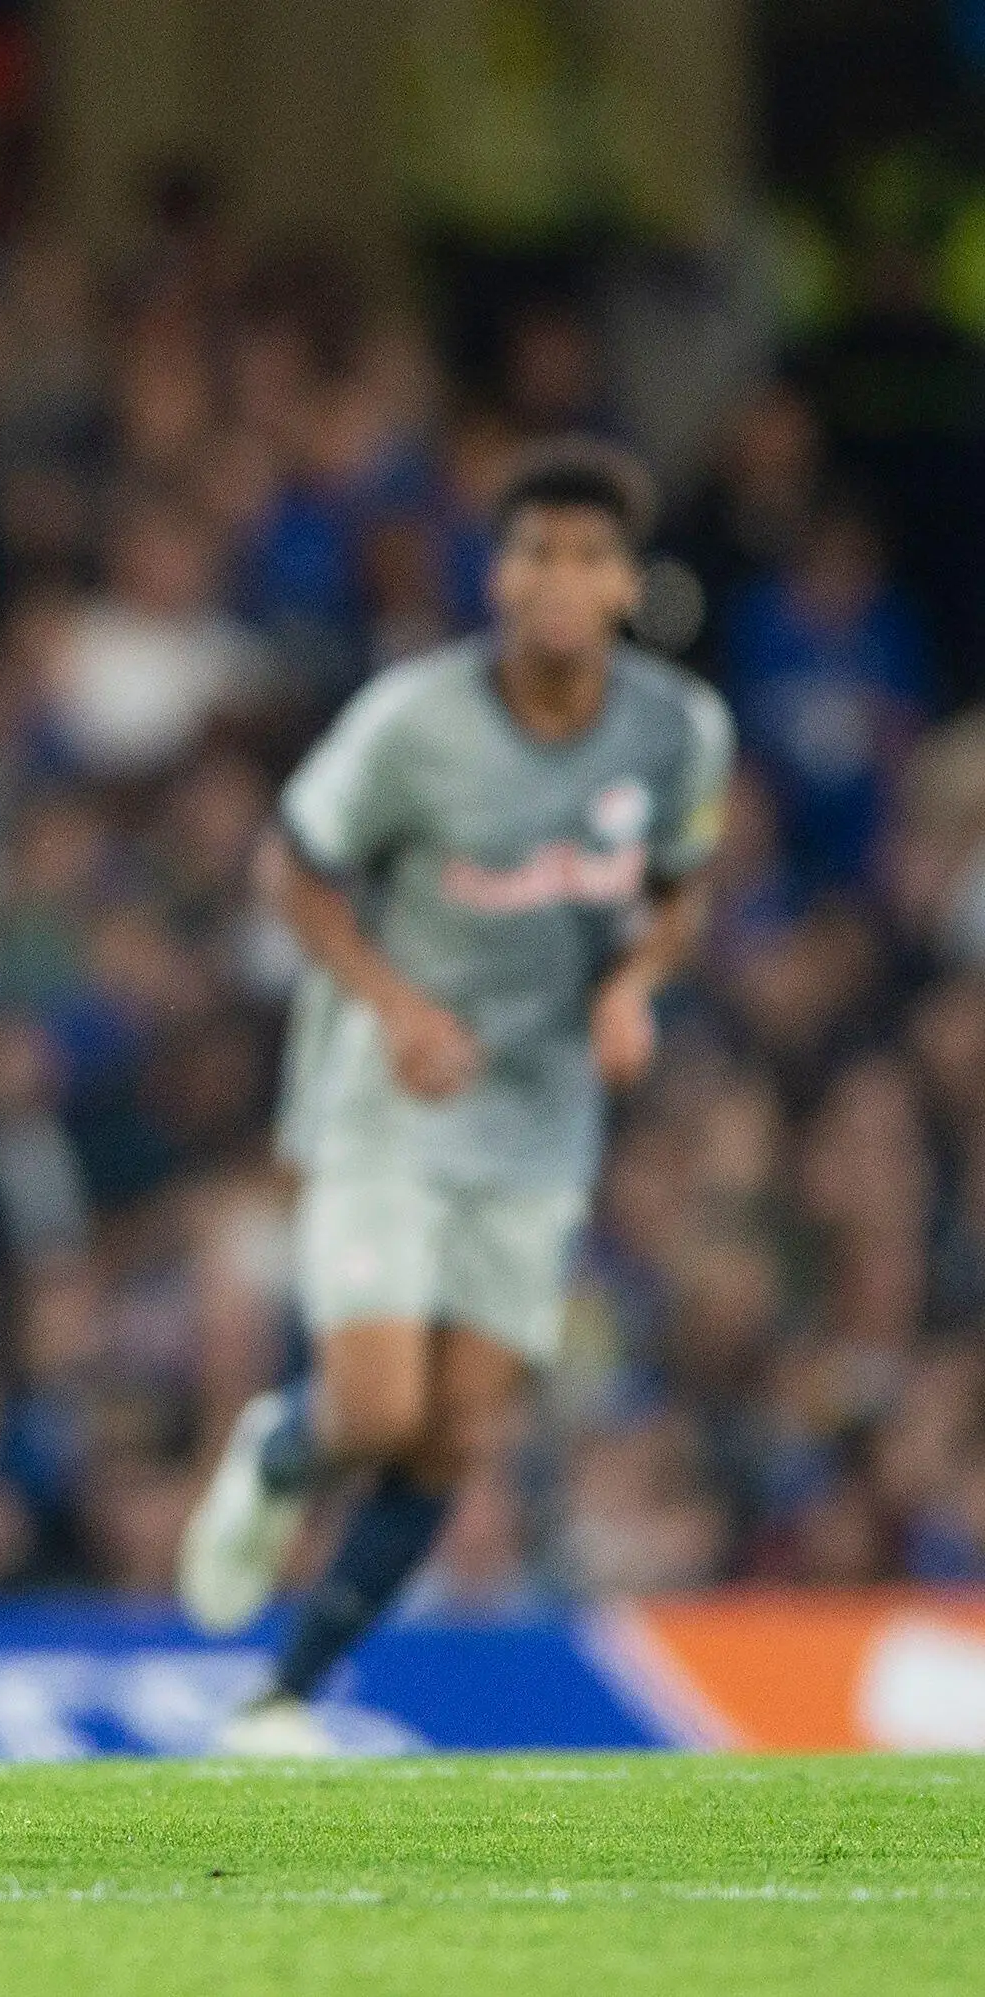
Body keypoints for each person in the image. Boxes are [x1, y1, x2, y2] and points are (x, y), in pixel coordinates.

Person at [178, 440, 733, 1752]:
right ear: (499, 572)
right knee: (376, 1409)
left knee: (455, 1433)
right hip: (390, 1092)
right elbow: (293, 873)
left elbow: (681, 890)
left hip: (541, 1120)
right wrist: (396, 1004)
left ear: (626, 585)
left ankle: (282, 1697)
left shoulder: (674, 732)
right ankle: (278, 1450)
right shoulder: (414, 722)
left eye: (589, 555)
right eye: (536, 549)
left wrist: (634, 987)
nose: (560, 576)